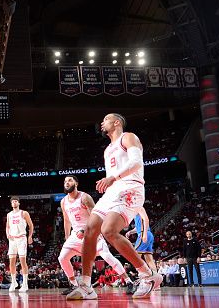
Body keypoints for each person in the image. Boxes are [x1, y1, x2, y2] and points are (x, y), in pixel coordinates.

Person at [67, 113, 161, 300]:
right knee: (90, 229)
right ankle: (86, 285)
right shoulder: (107, 149)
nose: (102, 122)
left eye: (106, 119)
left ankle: (147, 275)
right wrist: (111, 181)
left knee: (109, 230)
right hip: (113, 191)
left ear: (116, 122)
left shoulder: (128, 137)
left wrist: (113, 177)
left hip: (130, 187)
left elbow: (136, 163)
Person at [59, 175, 135, 296]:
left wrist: (85, 231)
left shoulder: (85, 197)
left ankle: (129, 282)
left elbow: (97, 217)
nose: (66, 183)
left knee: (107, 257)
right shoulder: (63, 202)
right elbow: (66, 220)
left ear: (76, 184)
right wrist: (67, 237)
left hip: (91, 232)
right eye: (65, 181)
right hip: (75, 235)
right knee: (62, 258)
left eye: (69, 180)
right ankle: (74, 285)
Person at [125, 207, 158, 291]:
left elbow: (146, 219)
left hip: (144, 233)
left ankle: (143, 278)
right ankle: (157, 283)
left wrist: (144, 234)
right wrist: (130, 232)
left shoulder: (138, 207)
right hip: (148, 234)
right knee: (149, 260)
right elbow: (138, 227)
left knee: (135, 257)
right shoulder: (135, 215)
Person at [6, 196, 34, 292]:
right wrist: (7, 234)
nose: (14, 203)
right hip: (12, 240)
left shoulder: (24, 213)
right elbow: (7, 226)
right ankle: (14, 282)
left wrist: (30, 236)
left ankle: (25, 284)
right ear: (11, 204)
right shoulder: (9, 214)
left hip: (22, 238)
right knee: (11, 262)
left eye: (16, 201)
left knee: (23, 261)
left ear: (19, 203)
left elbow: (31, 225)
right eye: (13, 201)